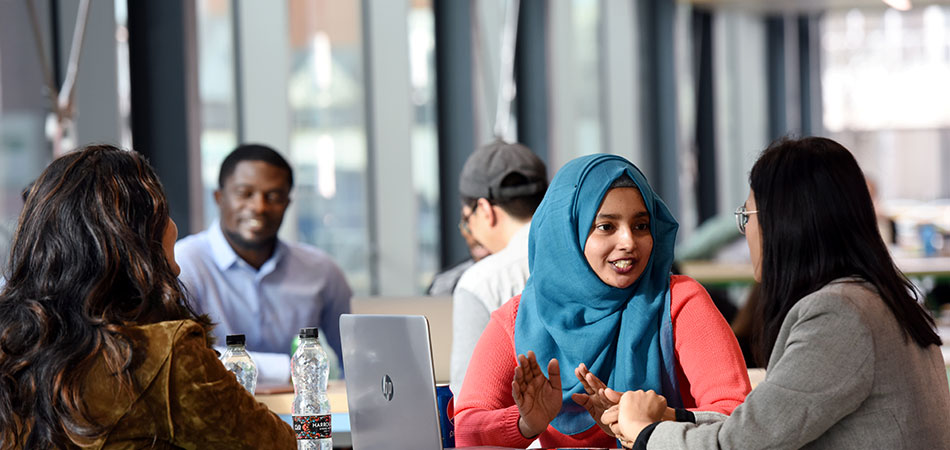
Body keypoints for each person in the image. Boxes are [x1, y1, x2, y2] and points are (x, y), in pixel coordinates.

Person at [603, 137, 950, 449]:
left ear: (785, 222)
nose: (747, 230)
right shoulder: (873, 299)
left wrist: (646, 434)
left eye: (748, 215)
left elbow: (743, 444)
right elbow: (766, 425)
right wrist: (670, 419)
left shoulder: (839, 315)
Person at [0, 145, 294, 449]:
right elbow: (273, 444)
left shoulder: (11, 343)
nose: (173, 228)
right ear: (139, 236)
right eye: (163, 214)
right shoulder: (166, 352)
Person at [453, 154, 750, 448]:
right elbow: (467, 428)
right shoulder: (518, 319)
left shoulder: (680, 302)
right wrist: (526, 423)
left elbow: (738, 420)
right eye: (606, 227)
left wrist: (653, 420)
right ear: (567, 234)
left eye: (641, 226)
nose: (629, 242)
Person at [175, 144, 352, 383]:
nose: (259, 207)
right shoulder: (183, 263)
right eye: (245, 193)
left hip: (297, 414)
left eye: (274, 196)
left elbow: (355, 358)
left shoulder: (321, 271)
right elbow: (184, 357)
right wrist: (286, 370)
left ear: (287, 204)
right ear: (219, 198)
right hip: (215, 413)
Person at [450, 139, 548, 395]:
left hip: (520, 434)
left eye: (467, 220)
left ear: (484, 210)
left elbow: (468, 404)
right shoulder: (590, 255)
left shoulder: (481, 282)